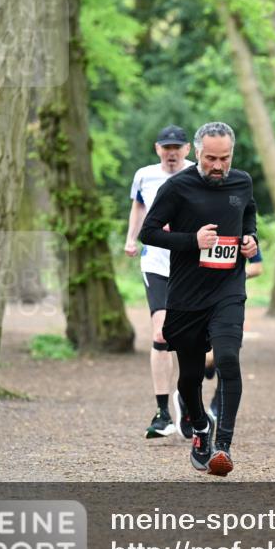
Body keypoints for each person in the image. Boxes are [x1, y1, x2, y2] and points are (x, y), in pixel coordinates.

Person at [139, 121, 258, 477]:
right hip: (187, 295)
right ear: (198, 153)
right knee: (189, 378)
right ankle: (201, 432)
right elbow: (149, 232)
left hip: (228, 290)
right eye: (210, 159)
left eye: (224, 158)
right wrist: (192, 241)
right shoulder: (178, 187)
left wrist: (251, 239)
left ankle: (223, 446)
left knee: (227, 359)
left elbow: (248, 214)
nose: (218, 166)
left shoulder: (242, 182)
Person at [123, 125, 194, 439]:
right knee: (161, 333)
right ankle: (163, 411)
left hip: (190, 264)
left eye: (177, 146)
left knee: (192, 338)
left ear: (187, 149)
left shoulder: (198, 175)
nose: (171, 152)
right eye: (166, 147)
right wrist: (131, 239)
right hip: (156, 263)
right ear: (157, 149)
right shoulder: (145, 175)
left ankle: (188, 401)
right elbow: (138, 205)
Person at [200, 249, 264, 426]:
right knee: (207, 358)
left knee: (228, 357)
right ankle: (207, 367)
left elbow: (257, 267)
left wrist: (232, 277)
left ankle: (217, 403)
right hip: (200, 301)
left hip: (230, 304)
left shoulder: (241, 231)